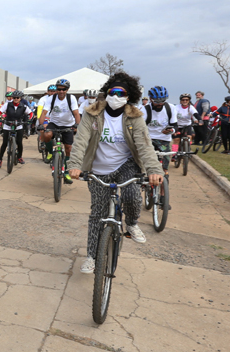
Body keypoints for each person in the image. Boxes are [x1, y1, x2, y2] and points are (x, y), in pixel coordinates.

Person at [68, 73, 164, 273]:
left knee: (132, 195)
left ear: (129, 96)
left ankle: (131, 224)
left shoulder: (135, 117)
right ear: (106, 93)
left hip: (125, 165)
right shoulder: (92, 113)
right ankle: (92, 257)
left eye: (121, 93)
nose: (116, 96)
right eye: (113, 92)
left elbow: (145, 145)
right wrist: (75, 165)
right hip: (98, 168)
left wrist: (154, 170)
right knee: (97, 214)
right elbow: (81, 141)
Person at [39, 79, 81, 183]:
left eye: (64, 89)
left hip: (68, 124)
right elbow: (44, 112)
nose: (61, 91)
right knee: (46, 135)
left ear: (67, 89)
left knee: (68, 148)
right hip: (54, 123)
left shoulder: (71, 98)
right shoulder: (51, 98)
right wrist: (40, 125)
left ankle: (66, 172)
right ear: (57, 89)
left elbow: (76, 113)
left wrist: (77, 125)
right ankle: (50, 153)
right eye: (59, 89)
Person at [144, 86, 177, 172]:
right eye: (156, 101)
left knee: (165, 168)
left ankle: (165, 177)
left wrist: (171, 131)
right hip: (148, 139)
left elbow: (175, 125)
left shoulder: (170, 108)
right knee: (145, 166)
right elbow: (139, 127)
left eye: (162, 101)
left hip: (164, 140)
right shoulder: (144, 110)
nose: (159, 104)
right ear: (150, 99)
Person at [0, 90, 29, 167]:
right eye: (14, 97)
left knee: (19, 142)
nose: (16, 99)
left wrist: (29, 120)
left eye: (17, 98)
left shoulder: (23, 106)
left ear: (20, 98)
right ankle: (0, 159)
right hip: (8, 125)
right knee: (4, 143)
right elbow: (0, 112)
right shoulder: (7, 104)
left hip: (18, 125)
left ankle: (19, 157)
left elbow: (30, 113)